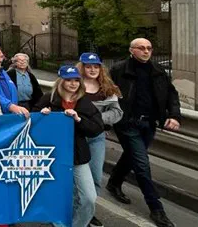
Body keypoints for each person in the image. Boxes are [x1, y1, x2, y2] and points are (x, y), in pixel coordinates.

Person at [107, 38, 181, 227]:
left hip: (149, 123)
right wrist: (105, 121)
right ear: (132, 50)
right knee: (142, 165)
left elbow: (172, 94)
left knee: (131, 156)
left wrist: (174, 115)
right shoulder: (119, 69)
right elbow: (105, 92)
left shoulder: (158, 70)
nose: (146, 51)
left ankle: (113, 182)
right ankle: (156, 209)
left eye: (149, 48)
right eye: (141, 48)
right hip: (126, 123)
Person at [34, 65, 104, 227]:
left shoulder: (83, 101)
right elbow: (32, 126)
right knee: (57, 195)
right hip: (53, 157)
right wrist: (42, 116)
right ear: (60, 81)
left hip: (77, 156)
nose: (73, 84)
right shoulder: (48, 99)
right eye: (68, 80)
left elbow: (96, 128)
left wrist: (79, 120)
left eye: (76, 80)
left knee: (89, 197)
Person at [78, 52, 123, 227]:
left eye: (96, 66)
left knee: (95, 176)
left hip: (96, 137)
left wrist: (96, 119)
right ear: (82, 67)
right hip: (76, 138)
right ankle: (75, 210)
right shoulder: (74, 85)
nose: (92, 69)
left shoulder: (107, 88)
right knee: (76, 179)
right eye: (88, 66)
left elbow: (117, 112)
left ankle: (89, 212)